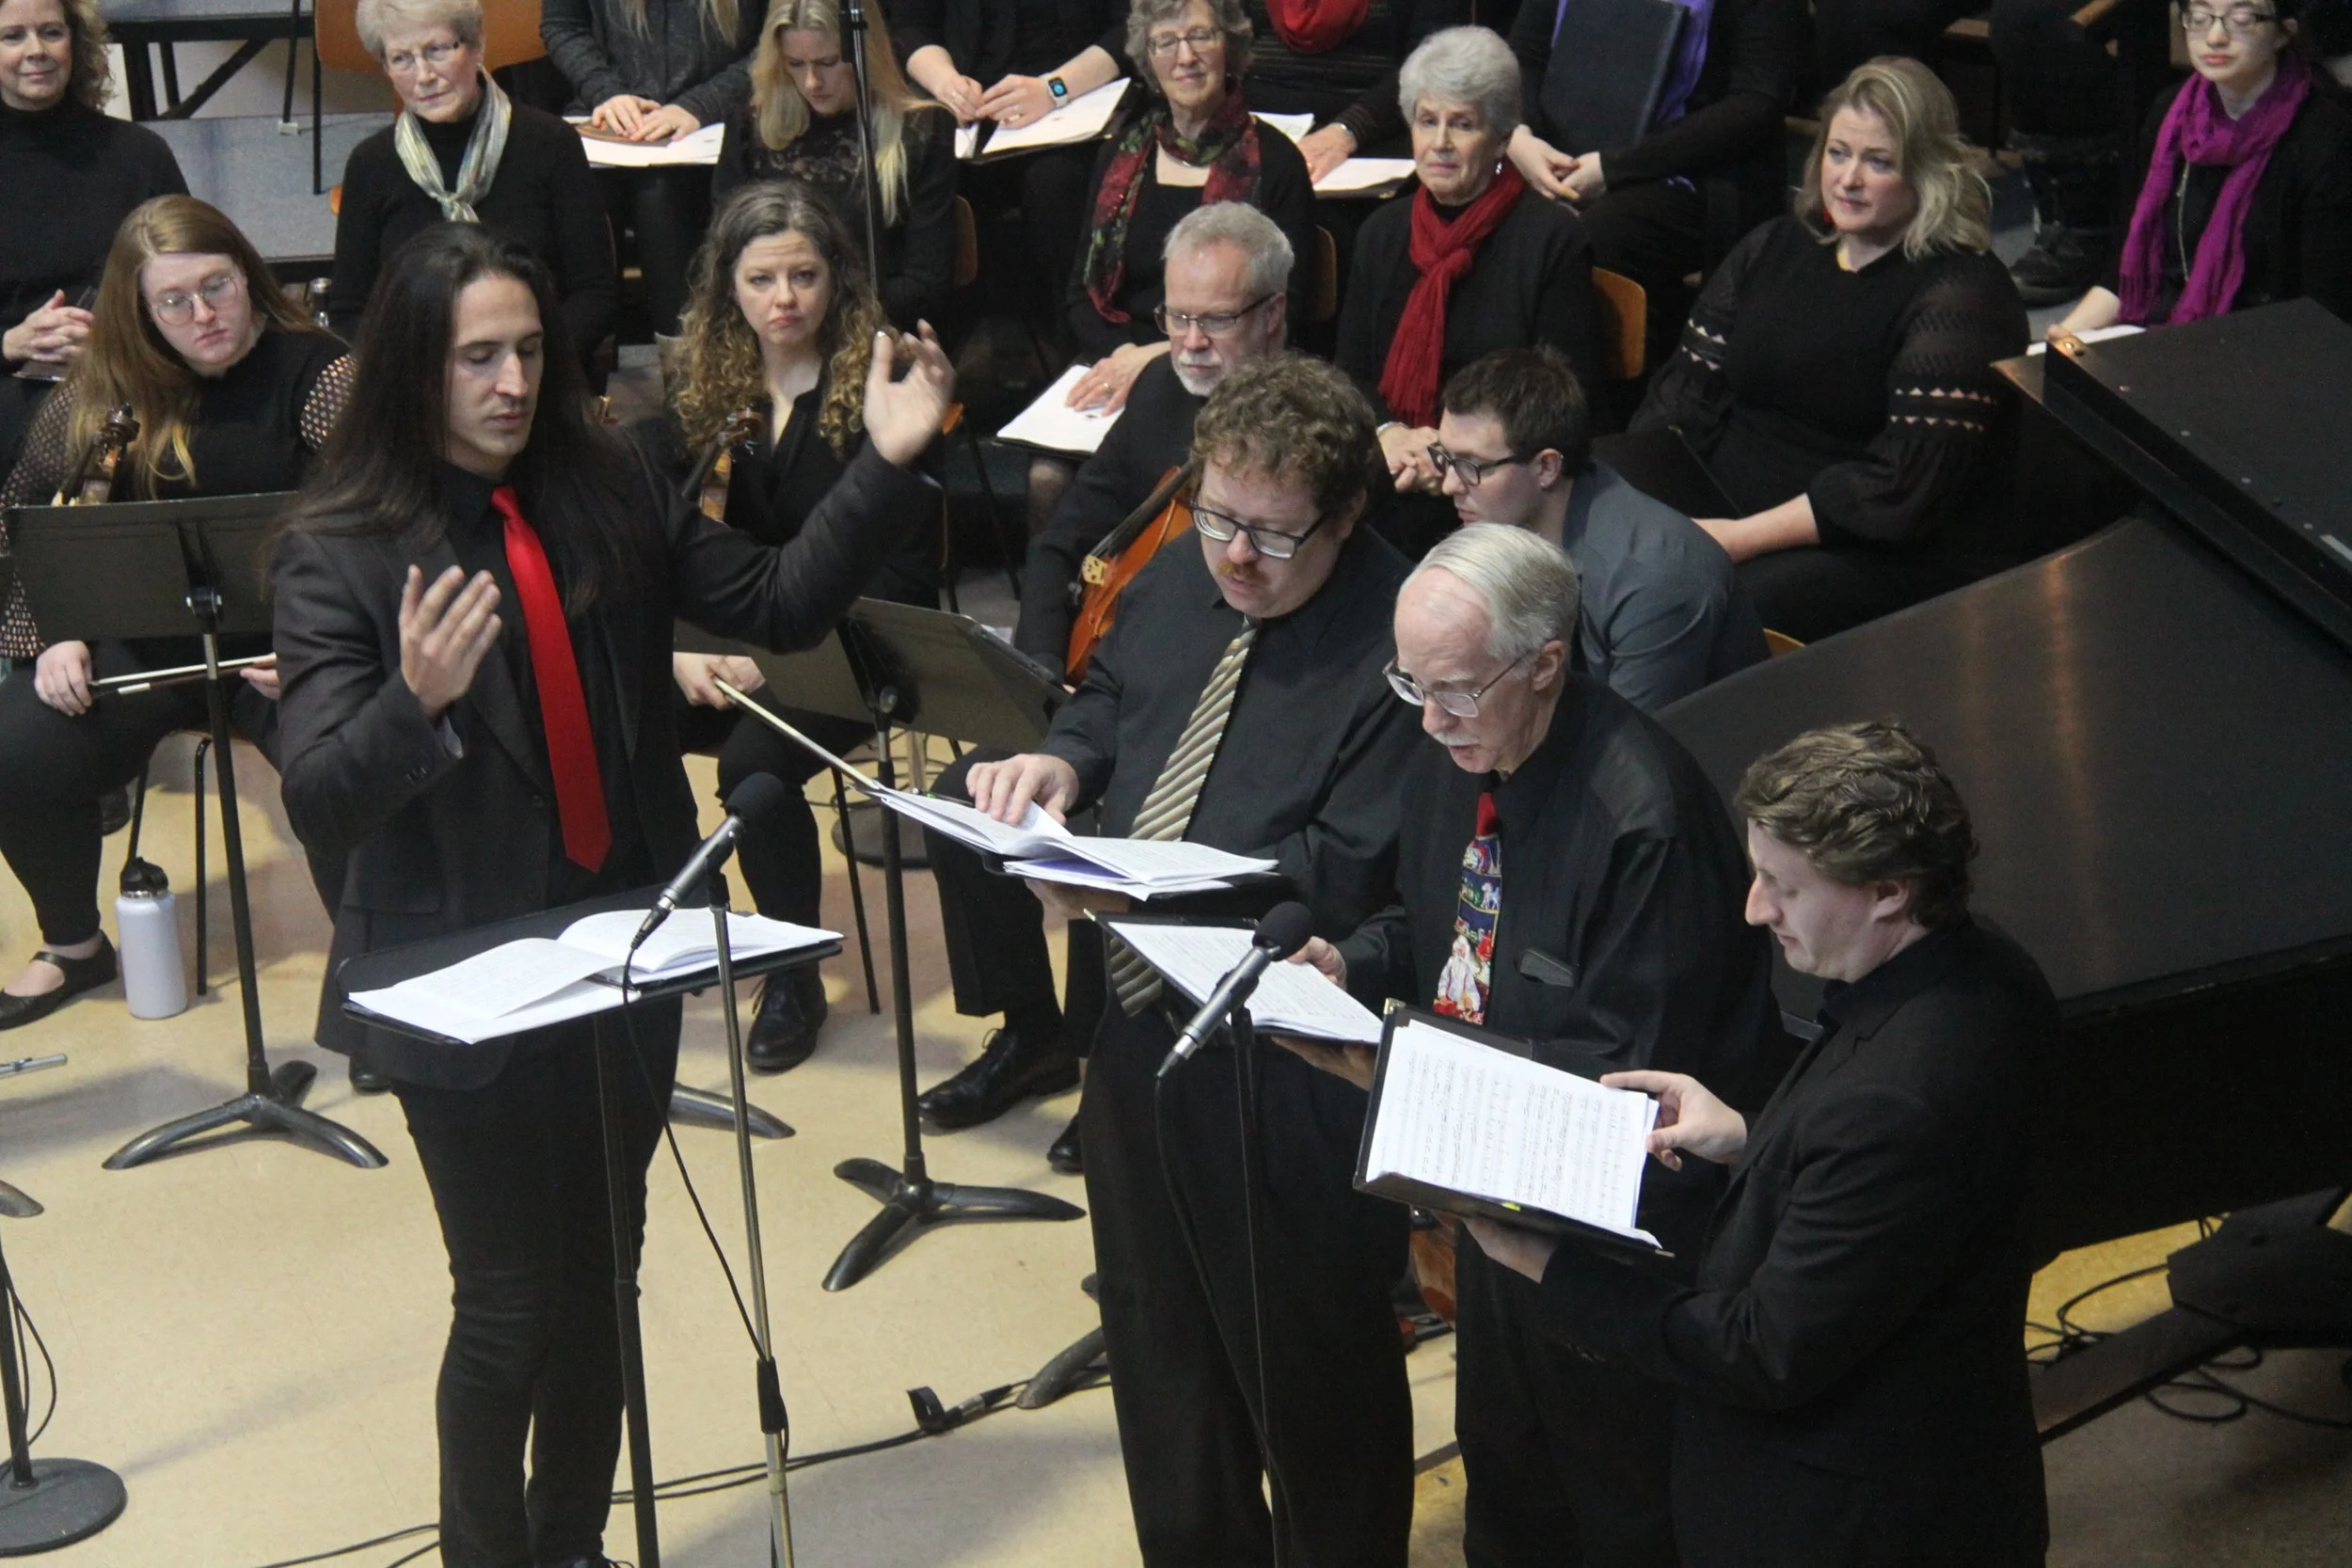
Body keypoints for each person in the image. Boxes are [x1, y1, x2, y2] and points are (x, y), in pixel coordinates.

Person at [269, 224, 949, 1568]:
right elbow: (321, 800)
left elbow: (781, 600)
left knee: (605, 1287)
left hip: (618, 957)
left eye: (528, 350)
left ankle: (569, 1539)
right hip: (460, 987)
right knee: (512, 1304)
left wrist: (885, 457)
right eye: (478, 356)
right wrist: (415, 704)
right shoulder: (336, 549)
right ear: (415, 367)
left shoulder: (609, 486)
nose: (514, 381)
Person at [961, 355, 1424, 1563]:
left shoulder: (1400, 635)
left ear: (1344, 514)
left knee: (1308, 1377)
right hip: (1134, 1024)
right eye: (1219, 516)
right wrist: (1066, 763)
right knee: (1159, 1343)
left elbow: (1350, 861)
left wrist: (1133, 884)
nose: (1234, 557)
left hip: (1285, 1052)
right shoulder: (1187, 561)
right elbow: (1112, 690)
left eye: (1273, 536)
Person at [1279, 521, 1785, 1567]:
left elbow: (1623, 1080)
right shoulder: (1457, 746)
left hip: (1617, 1235)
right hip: (1492, 1192)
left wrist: (1402, 1073)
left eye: (1455, 687)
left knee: (1614, 1494)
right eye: (1411, 682)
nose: (1428, 716)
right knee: (1507, 1468)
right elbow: (1439, 925)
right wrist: (1356, 962)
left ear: (1546, 662)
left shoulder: (1641, 817)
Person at [1467, 720, 2058, 1568]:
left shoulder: (1897, 1097)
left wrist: (1555, 1270)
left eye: (1782, 884)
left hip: (1853, 1523)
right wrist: (1753, 1139)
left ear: (1888, 890)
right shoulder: (1981, 964)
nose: (1753, 908)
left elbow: (1759, 1351)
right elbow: (1898, 1202)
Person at [917, 200, 1294, 1168]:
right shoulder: (1164, 393)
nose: (1191, 340)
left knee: (1102, 842)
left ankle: (1105, 1062)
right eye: (1175, 317)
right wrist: (1042, 678)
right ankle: (1032, 1028)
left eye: (1216, 319)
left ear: (1272, 318)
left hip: (1217, 714)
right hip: (1105, 686)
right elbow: (1062, 542)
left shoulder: (1309, 426)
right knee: (962, 805)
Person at [0, 196, 350, 1037]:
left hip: (291, 652)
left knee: (339, 770)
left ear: (249, 275)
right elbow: (30, 519)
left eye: (218, 288)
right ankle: (77, 945)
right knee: (13, 747)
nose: (204, 317)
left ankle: (374, 967)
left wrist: (324, 645)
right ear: (140, 309)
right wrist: (56, 631)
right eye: (174, 302)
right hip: (148, 642)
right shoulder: (107, 383)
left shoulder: (322, 371)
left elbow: (382, 524)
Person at [648, 179, 940, 1070]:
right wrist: (680, 648)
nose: (784, 300)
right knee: (621, 708)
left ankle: (793, 967)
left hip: (851, 651)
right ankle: (679, 916)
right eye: (762, 279)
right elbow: (658, 543)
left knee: (754, 769)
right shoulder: (703, 388)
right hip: (729, 643)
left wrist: (763, 655)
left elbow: (898, 576)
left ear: (837, 280)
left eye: (805, 276)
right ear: (726, 287)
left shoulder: (884, 389)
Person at [1631, 56, 2029, 645]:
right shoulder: (1776, 243)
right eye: (1839, 153)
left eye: (1879, 162)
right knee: (1578, 514)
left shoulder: (1963, 294)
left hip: (1864, 545)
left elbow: (1900, 490)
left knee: (1703, 598)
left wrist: (1735, 539)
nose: (1848, 179)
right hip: (1725, 495)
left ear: (1927, 172)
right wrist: (1632, 488)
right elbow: (1686, 392)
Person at [1335, 24, 1603, 529]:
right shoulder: (1381, 232)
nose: (1439, 143)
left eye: (1462, 125)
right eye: (1426, 120)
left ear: (1503, 138)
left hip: (1497, 490)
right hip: (1391, 467)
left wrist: (1455, 458)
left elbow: (1564, 405)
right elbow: (1349, 372)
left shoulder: (1551, 241)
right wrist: (1391, 432)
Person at [1433, 346, 1764, 710]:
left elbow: (1633, 750)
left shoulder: (1651, 580)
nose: (1449, 484)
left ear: (1546, 468)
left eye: (1472, 465)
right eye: (1446, 458)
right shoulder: (1510, 524)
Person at [330, 0, 617, 367]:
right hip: (416, 385)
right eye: (401, 58)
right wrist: (422, 378)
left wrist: (525, 363)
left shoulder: (550, 145)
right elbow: (348, 314)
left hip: (534, 376)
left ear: (477, 46)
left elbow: (594, 295)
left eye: (436, 51)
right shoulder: (371, 165)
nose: (423, 76)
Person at [1059, 0, 1313, 411]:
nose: (1185, 57)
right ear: (1149, 59)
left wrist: (1153, 360)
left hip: (1227, 369)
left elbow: (1286, 310)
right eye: (1166, 42)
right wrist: (1123, 358)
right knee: (1046, 475)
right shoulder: (1120, 155)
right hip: (1119, 360)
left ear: (1228, 47)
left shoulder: (1276, 162)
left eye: (1200, 36)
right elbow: (1081, 293)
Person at [2053, 0, 2352, 336]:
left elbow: (2323, 314)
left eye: (2241, 19)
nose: (2215, 36)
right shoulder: (2170, 113)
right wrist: (2066, 335)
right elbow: (2124, 267)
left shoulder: (2325, 141)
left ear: (2284, 33)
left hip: (2263, 347)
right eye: (2199, 18)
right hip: (2161, 331)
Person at [1503, 0, 1808, 294]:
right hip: (1560, 153)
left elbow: (1756, 103)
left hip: (1695, 171)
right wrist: (1519, 134)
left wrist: (1612, 169)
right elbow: (1525, 52)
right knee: (1482, 199)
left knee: (1583, 239)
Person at [0, 0, 185, 472]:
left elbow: (188, 279)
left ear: (76, 44)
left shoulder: (140, 154)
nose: (36, 50)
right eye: (12, 37)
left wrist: (118, 340)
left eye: (51, 32)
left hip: (128, 378)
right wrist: (13, 343)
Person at [712, 0, 959, 329]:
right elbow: (725, 257)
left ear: (864, 53)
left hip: (878, 327)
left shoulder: (923, 130)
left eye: (827, 62)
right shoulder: (750, 127)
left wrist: (814, 310)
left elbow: (927, 286)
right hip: (775, 332)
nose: (812, 82)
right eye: (795, 64)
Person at [892, 0, 1126, 324]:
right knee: (930, 179)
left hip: (1071, 99)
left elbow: (1128, 27)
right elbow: (911, 26)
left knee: (1054, 184)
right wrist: (947, 84)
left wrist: (1053, 89)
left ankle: (1073, 329)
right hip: (974, 111)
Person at [540, 0, 764, 336]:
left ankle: (688, 366)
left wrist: (701, 105)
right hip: (609, 112)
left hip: (718, 117)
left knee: (660, 196)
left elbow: (774, 40)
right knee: (578, 190)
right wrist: (606, 92)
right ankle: (573, 368)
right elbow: (563, 25)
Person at [1235, 0, 1466, 179]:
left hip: (1374, 134)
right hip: (1257, 128)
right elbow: (1224, 47)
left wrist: (1348, 130)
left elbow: (1429, 60)